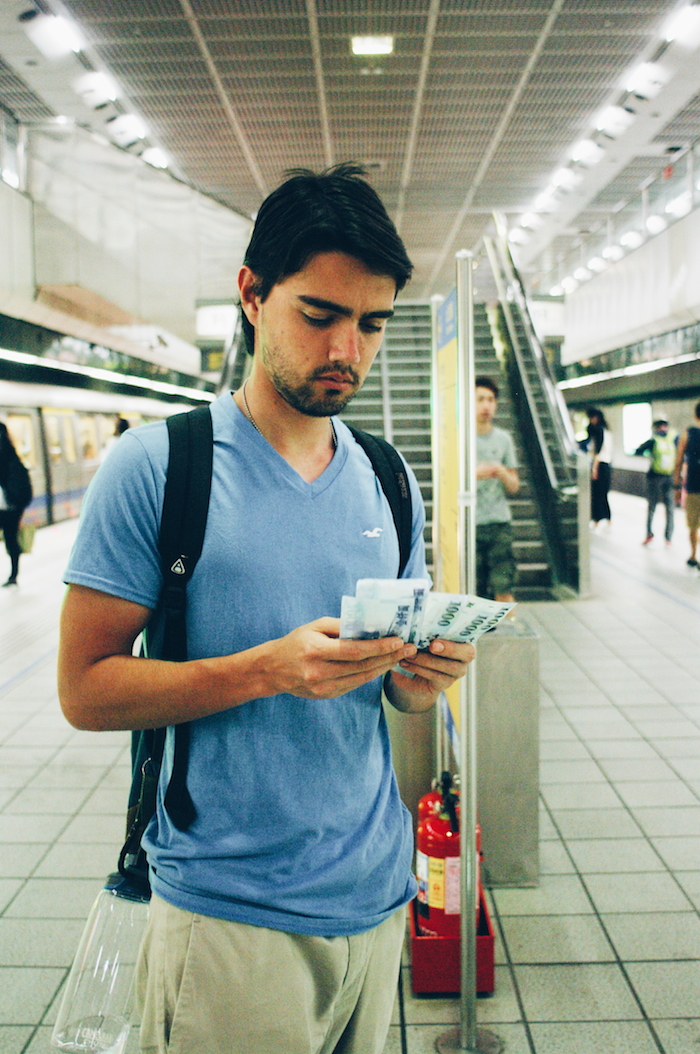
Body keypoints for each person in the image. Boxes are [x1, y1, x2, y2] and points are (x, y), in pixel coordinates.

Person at [57, 163, 475, 1054]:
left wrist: (423, 679)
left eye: (371, 324)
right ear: (251, 294)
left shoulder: (390, 480)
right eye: (318, 315)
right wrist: (266, 670)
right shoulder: (160, 469)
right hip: (227, 910)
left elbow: (394, 701)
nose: (346, 351)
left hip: (374, 892)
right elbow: (85, 691)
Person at [475, 375, 520, 603]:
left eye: (491, 400)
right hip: (469, 524)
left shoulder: (504, 439)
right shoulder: (459, 439)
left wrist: (500, 471)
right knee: (474, 590)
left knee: (503, 585)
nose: (486, 405)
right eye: (480, 399)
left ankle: (508, 635)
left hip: (499, 524)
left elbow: (514, 486)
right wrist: (474, 473)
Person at [634, 417, 676, 546]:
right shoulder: (673, 440)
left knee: (652, 507)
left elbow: (638, 451)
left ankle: (649, 535)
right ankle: (668, 538)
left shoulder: (653, 441)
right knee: (670, 508)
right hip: (669, 477)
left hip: (655, 477)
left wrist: (650, 456)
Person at [0, 422, 32, 587]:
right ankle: (13, 575)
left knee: (11, 538)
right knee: (11, 538)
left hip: (6, 504)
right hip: (12, 506)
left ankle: (13, 575)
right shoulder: (12, 454)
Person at [673, 399, 700, 568]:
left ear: (695, 415)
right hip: (693, 487)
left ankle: (693, 555)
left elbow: (678, 461)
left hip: (693, 486)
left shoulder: (687, 434)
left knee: (693, 524)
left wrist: (676, 485)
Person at [586, 407, 613, 527]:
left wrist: (594, 468)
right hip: (607, 464)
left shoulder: (599, 431)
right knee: (603, 493)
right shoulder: (607, 431)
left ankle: (597, 518)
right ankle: (607, 518)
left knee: (597, 493)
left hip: (600, 464)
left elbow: (598, 451)